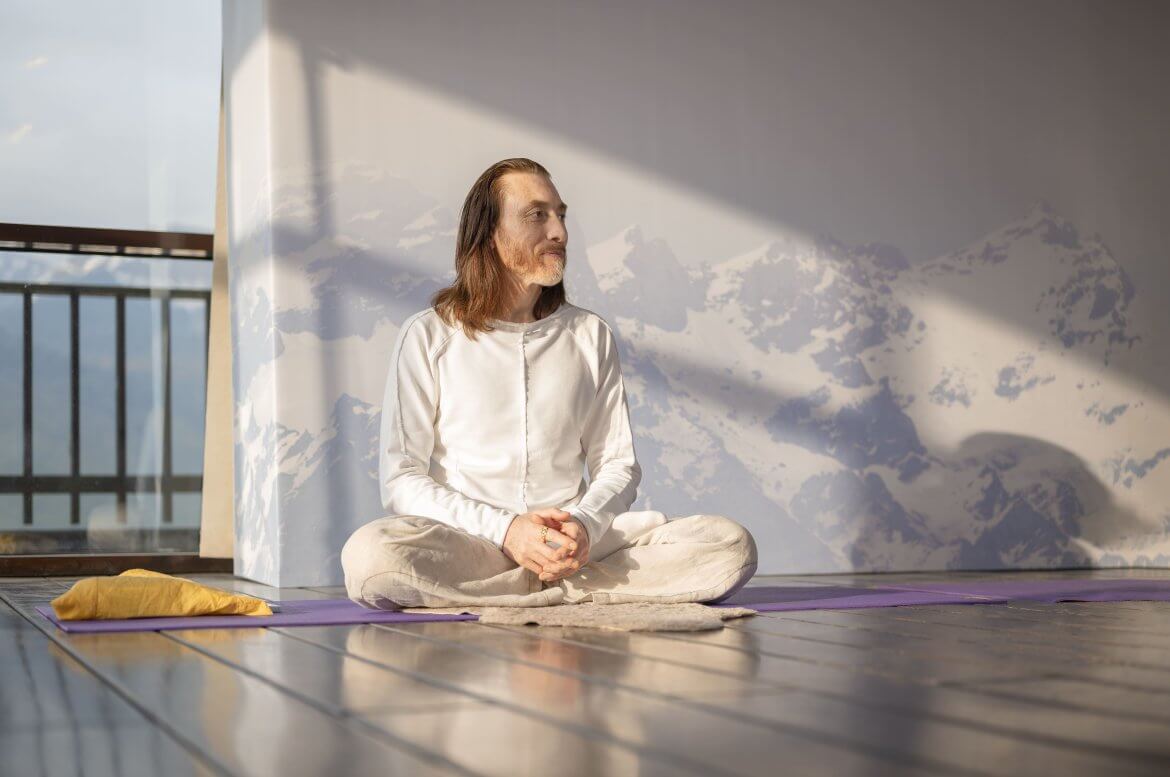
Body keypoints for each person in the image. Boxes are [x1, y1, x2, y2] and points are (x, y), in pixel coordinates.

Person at [342, 158, 758, 609]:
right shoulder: (429, 335)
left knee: (729, 544)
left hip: (576, 547)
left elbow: (618, 464)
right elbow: (402, 479)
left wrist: (583, 525)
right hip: (474, 544)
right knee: (371, 557)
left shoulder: (589, 335)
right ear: (490, 233)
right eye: (537, 215)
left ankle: (523, 588)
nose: (559, 232)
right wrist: (508, 531)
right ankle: (557, 588)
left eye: (560, 215)